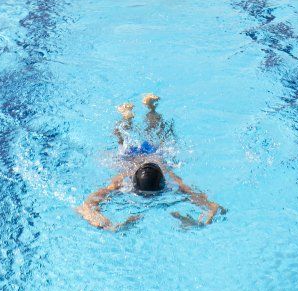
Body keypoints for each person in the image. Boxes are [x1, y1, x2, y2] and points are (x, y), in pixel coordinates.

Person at [79, 95, 221, 232]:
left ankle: (134, 113)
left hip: (141, 156)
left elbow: (86, 206)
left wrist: (110, 225)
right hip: (140, 156)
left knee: (131, 138)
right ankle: (148, 109)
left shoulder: (122, 181)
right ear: (163, 181)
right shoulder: (172, 181)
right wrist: (201, 222)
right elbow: (214, 207)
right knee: (127, 138)